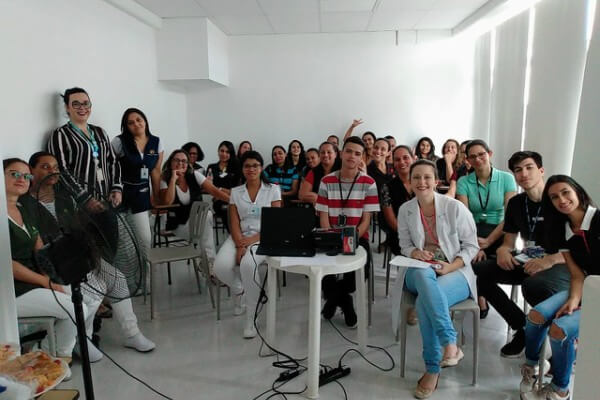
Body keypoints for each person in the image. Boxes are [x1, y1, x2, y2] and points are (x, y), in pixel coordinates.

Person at [24, 152, 156, 356]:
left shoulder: (65, 197)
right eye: (45, 167)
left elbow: (79, 228)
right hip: (55, 265)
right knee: (94, 291)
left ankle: (132, 334)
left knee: (117, 278)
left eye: (55, 166)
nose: (52, 171)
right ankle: (81, 339)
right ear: (31, 171)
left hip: (79, 256)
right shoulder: (25, 204)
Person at [391, 159, 479, 399]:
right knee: (421, 273)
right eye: (416, 177)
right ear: (409, 182)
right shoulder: (405, 209)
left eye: (427, 177)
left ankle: (432, 368)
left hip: (455, 270)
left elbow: (471, 246)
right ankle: (450, 343)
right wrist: (415, 253)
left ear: (436, 181)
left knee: (423, 303)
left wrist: (451, 266)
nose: (421, 182)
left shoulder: (454, 208)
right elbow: (404, 245)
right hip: (419, 270)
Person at [473, 151, 570, 358]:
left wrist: (549, 261)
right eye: (518, 170)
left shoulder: (559, 200)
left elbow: (578, 250)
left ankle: (555, 343)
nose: (524, 174)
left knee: (533, 286)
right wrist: (502, 251)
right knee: (479, 272)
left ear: (541, 170)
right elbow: (508, 240)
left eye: (529, 168)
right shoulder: (517, 203)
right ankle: (523, 329)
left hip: (560, 262)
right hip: (530, 256)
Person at [520, 175, 599, 400]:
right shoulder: (562, 230)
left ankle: (560, 389)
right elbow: (576, 274)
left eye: (565, 192)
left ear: (578, 192)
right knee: (535, 316)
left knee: (559, 329)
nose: (562, 200)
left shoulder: (598, 220)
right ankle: (532, 368)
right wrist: (574, 300)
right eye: (554, 197)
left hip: (598, 293)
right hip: (585, 287)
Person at [5, 158, 82, 361]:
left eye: (26, 176)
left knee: (88, 297)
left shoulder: (22, 209)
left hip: (36, 280)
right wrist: (45, 282)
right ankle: (54, 354)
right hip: (12, 289)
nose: (22, 179)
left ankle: (59, 347)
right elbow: (6, 264)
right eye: (14, 174)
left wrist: (51, 275)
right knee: (77, 306)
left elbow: (39, 246)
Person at [213, 151, 281, 338]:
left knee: (248, 265)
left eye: (255, 165)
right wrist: (240, 244)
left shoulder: (273, 189)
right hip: (239, 237)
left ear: (261, 167)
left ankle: (251, 316)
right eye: (247, 166)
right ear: (242, 169)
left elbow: (276, 222)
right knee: (220, 267)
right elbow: (233, 221)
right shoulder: (236, 191)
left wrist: (251, 241)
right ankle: (239, 290)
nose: (251, 169)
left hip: (265, 236)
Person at [315, 137, 379, 327]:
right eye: (349, 151)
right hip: (330, 235)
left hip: (358, 236)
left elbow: (366, 219)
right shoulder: (326, 181)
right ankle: (346, 302)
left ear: (362, 158)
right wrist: (331, 238)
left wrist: (351, 239)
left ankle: (335, 300)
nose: (352, 156)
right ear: (341, 153)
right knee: (322, 271)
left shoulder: (369, 183)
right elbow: (323, 216)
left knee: (357, 275)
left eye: (358, 153)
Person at [456, 139, 517, 318]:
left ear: (489, 154)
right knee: (475, 266)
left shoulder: (507, 178)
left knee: (479, 270)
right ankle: (481, 298)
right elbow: (465, 217)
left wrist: (487, 242)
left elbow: (510, 217)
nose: (477, 159)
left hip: (500, 230)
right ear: (467, 160)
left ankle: (481, 296)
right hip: (472, 231)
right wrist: (474, 244)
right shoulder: (463, 181)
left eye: (481, 154)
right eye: (472, 157)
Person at [48, 87, 121, 209]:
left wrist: (116, 188)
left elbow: (113, 161)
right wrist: (85, 198)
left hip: (107, 200)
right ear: (67, 107)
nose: (82, 108)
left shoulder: (100, 132)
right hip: (79, 207)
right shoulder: (60, 134)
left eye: (86, 103)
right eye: (76, 104)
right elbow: (61, 170)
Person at [159, 149, 229, 267]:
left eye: (184, 161)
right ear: (171, 162)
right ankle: (210, 265)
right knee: (205, 229)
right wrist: (173, 179)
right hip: (178, 225)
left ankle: (209, 265)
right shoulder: (164, 179)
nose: (180, 164)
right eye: (176, 160)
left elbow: (213, 190)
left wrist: (233, 201)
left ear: (188, 164)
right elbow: (167, 201)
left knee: (206, 217)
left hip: (197, 224)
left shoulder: (194, 175)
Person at [111, 108, 163, 257]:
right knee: (124, 242)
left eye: (139, 120)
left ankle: (146, 278)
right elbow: (110, 167)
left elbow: (156, 171)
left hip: (142, 195)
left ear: (145, 121)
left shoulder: (157, 142)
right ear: (126, 126)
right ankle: (128, 278)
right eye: (131, 123)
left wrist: (157, 197)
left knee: (145, 239)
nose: (136, 124)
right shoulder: (119, 142)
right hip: (121, 194)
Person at [381, 145, 415, 255]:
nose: (401, 162)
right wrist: (411, 236)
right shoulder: (386, 187)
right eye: (397, 159)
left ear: (413, 159)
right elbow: (391, 220)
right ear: (393, 163)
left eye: (405, 158)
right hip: (400, 236)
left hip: (426, 235)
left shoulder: (422, 183)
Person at [206, 141, 241, 232]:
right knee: (227, 209)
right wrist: (218, 194)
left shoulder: (236, 167)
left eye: (227, 152)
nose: (224, 154)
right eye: (222, 151)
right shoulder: (212, 167)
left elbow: (239, 189)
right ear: (218, 151)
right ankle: (234, 236)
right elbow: (208, 186)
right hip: (219, 202)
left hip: (234, 199)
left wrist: (220, 190)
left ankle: (235, 236)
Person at [298, 142, 340, 207]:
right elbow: (302, 194)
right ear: (319, 155)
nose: (325, 155)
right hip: (320, 209)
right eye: (323, 152)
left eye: (329, 152)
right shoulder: (313, 172)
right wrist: (317, 197)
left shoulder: (343, 169)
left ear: (335, 154)